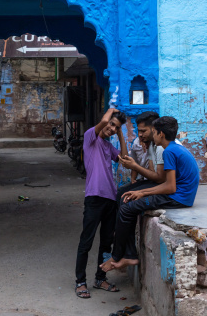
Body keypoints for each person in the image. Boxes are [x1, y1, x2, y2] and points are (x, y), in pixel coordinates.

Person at [100, 116, 199, 272]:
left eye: (153, 132)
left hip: (178, 197)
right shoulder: (173, 148)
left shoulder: (168, 152)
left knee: (126, 208)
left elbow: (170, 187)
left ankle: (118, 255)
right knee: (128, 200)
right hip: (181, 194)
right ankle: (128, 253)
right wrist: (141, 192)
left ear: (160, 134)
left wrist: (142, 192)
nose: (151, 135)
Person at [75, 108, 128, 298]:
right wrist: (110, 111)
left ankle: (100, 278)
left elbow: (124, 157)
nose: (112, 128)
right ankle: (80, 281)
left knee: (106, 242)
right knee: (86, 242)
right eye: (111, 124)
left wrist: (121, 133)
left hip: (110, 199)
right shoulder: (91, 137)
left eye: (116, 127)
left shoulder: (107, 146)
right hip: (94, 199)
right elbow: (103, 123)